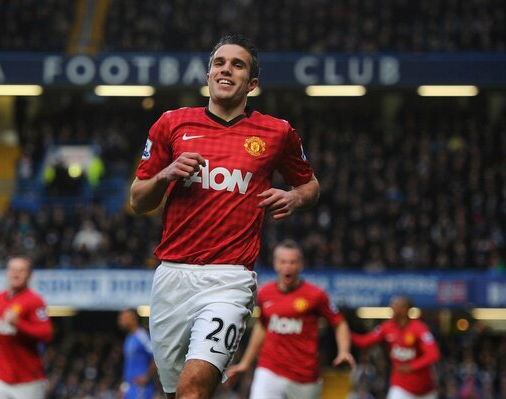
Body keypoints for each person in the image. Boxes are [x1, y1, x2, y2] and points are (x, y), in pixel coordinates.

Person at [130, 34, 320, 398]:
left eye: (238, 64)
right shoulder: (172, 123)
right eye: (219, 63)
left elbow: (310, 185)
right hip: (172, 276)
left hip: (229, 280)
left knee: (192, 389)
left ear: (252, 83)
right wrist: (166, 174)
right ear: (208, 75)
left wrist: (294, 197)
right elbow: (139, 200)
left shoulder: (276, 132)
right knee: (174, 392)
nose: (226, 70)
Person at [225, 239, 355, 399]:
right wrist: (245, 363)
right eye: (283, 262)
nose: (287, 267)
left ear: (301, 265)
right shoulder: (265, 293)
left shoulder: (316, 295)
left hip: (304, 376)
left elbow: (339, 323)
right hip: (269, 369)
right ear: (276, 264)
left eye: (292, 262)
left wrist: (344, 351)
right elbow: (263, 327)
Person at [0, 255, 53, 399]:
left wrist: (19, 324)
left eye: (21, 270)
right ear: (7, 273)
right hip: (0, 376)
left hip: (28, 380)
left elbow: (46, 333)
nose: (16, 273)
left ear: (29, 275)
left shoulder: (35, 301)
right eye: (12, 270)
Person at [351, 296, 440, 399]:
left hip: (425, 389)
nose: (391, 307)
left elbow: (433, 355)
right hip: (400, 385)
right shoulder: (387, 327)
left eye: (395, 304)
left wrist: (411, 366)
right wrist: (344, 332)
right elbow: (364, 341)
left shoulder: (419, 328)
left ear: (405, 309)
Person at [118, 308, 157, 399]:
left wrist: (147, 376)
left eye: (123, 317)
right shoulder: (129, 338)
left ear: (133, 318)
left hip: (141, 388)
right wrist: (124, 387)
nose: (120, 320)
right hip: (130, 387)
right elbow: (129, 366)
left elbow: (156, 356)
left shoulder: (141, 335)